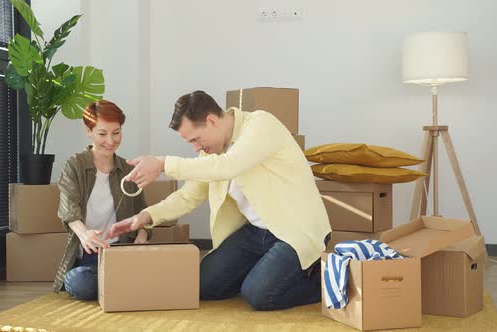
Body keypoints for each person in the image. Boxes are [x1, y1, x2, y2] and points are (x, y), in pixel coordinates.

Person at [108, 90, 331, 310]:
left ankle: (327, 280)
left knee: (259, 295)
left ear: (212, 120)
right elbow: (189, 196)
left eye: (195, 139)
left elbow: (228, 166)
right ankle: (265, 271)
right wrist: (146, 216)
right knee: (203, 285)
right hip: (256, 233)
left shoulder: (261, 124)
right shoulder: (211, 153)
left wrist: (163, 163)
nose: (195, 148)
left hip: (294, 230)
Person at [52, 100, 151, 300]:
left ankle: (119, 282)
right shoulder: (75, 165)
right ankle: (124, 283)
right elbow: (68, 210)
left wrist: (142, 236)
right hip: (90, 255)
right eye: (102, 133)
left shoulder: (128, 169)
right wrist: (85, 234)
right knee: (81, 283)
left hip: (122, 251)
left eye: (116, 132)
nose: (110, 140)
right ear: (89, 131)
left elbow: (143, 212)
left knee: (165, 269)